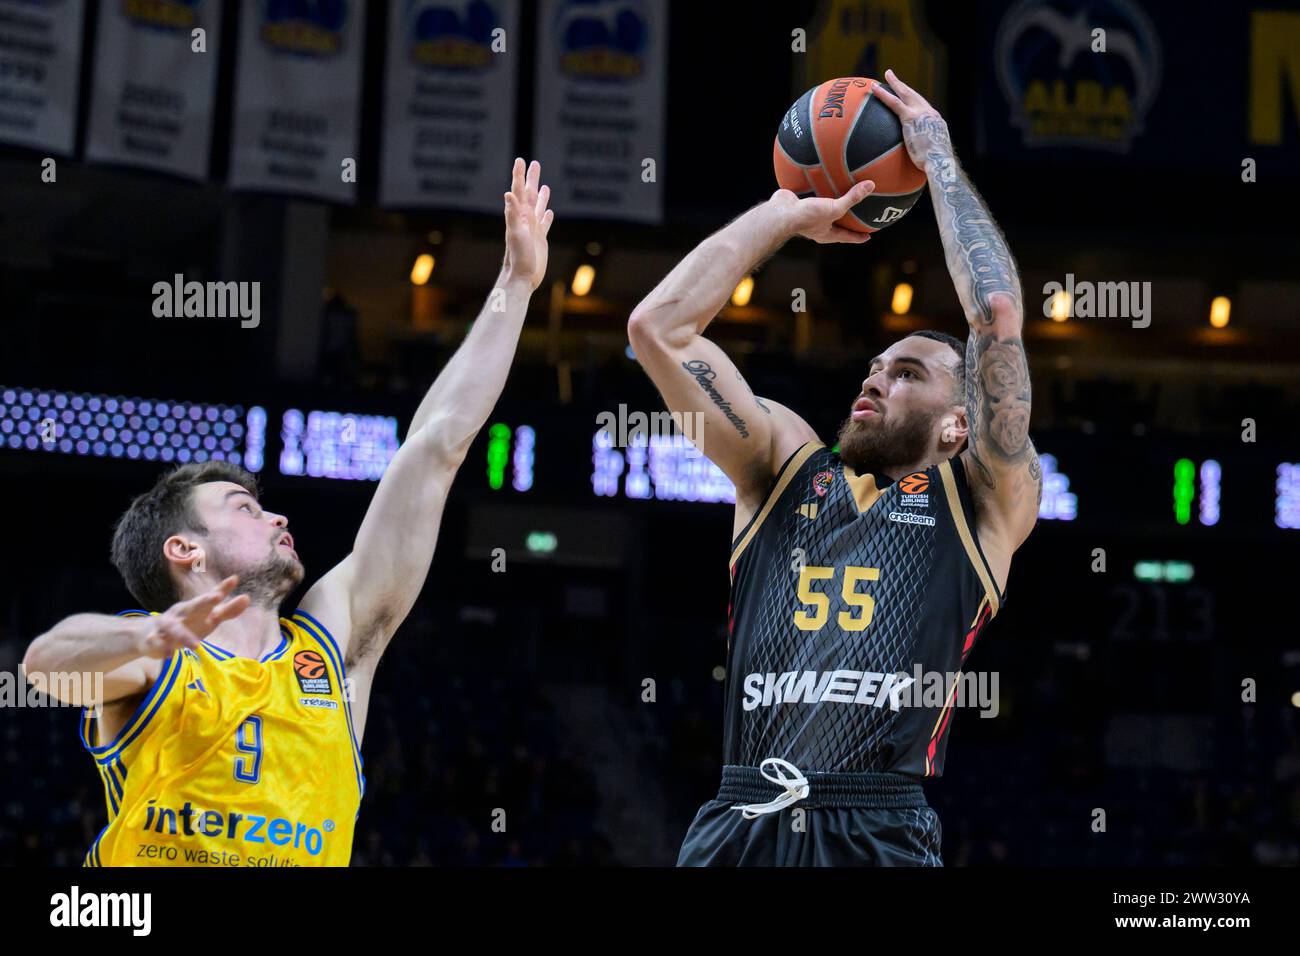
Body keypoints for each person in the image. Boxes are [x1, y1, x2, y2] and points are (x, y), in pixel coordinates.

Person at [22, 158, 554, 867]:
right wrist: (151, 640)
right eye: (244, 508)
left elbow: (434, 449)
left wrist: (514, 287)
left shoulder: (333, 648)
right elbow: (46, 663)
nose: (276, 520)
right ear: (185, 550)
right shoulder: (157, 660)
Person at [628, 70, 1040, 866]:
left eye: (910, 373)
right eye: (877, 365)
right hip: (738, 818)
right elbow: (658, 331)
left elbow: (994, 318)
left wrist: (940, 162)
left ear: (963, 424)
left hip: (875, 828)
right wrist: (781, 219)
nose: (876, 376)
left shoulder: (983, 504)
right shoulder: (779, 464)